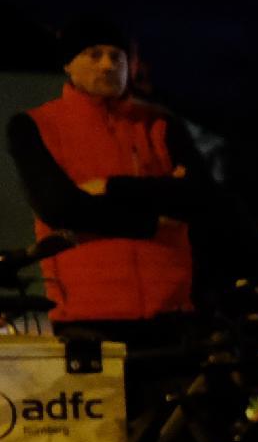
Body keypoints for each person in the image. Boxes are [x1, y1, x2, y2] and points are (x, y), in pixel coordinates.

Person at [7, 17, 209, 340]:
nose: (108, 65)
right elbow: (60, 207)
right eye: (94, 54)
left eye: (118, 57)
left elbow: (200, 197)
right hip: (87, 316)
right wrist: (154, 221)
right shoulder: (35, 125)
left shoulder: (160, 124)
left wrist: (111, 187)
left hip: (171, 311)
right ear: (68, 65)